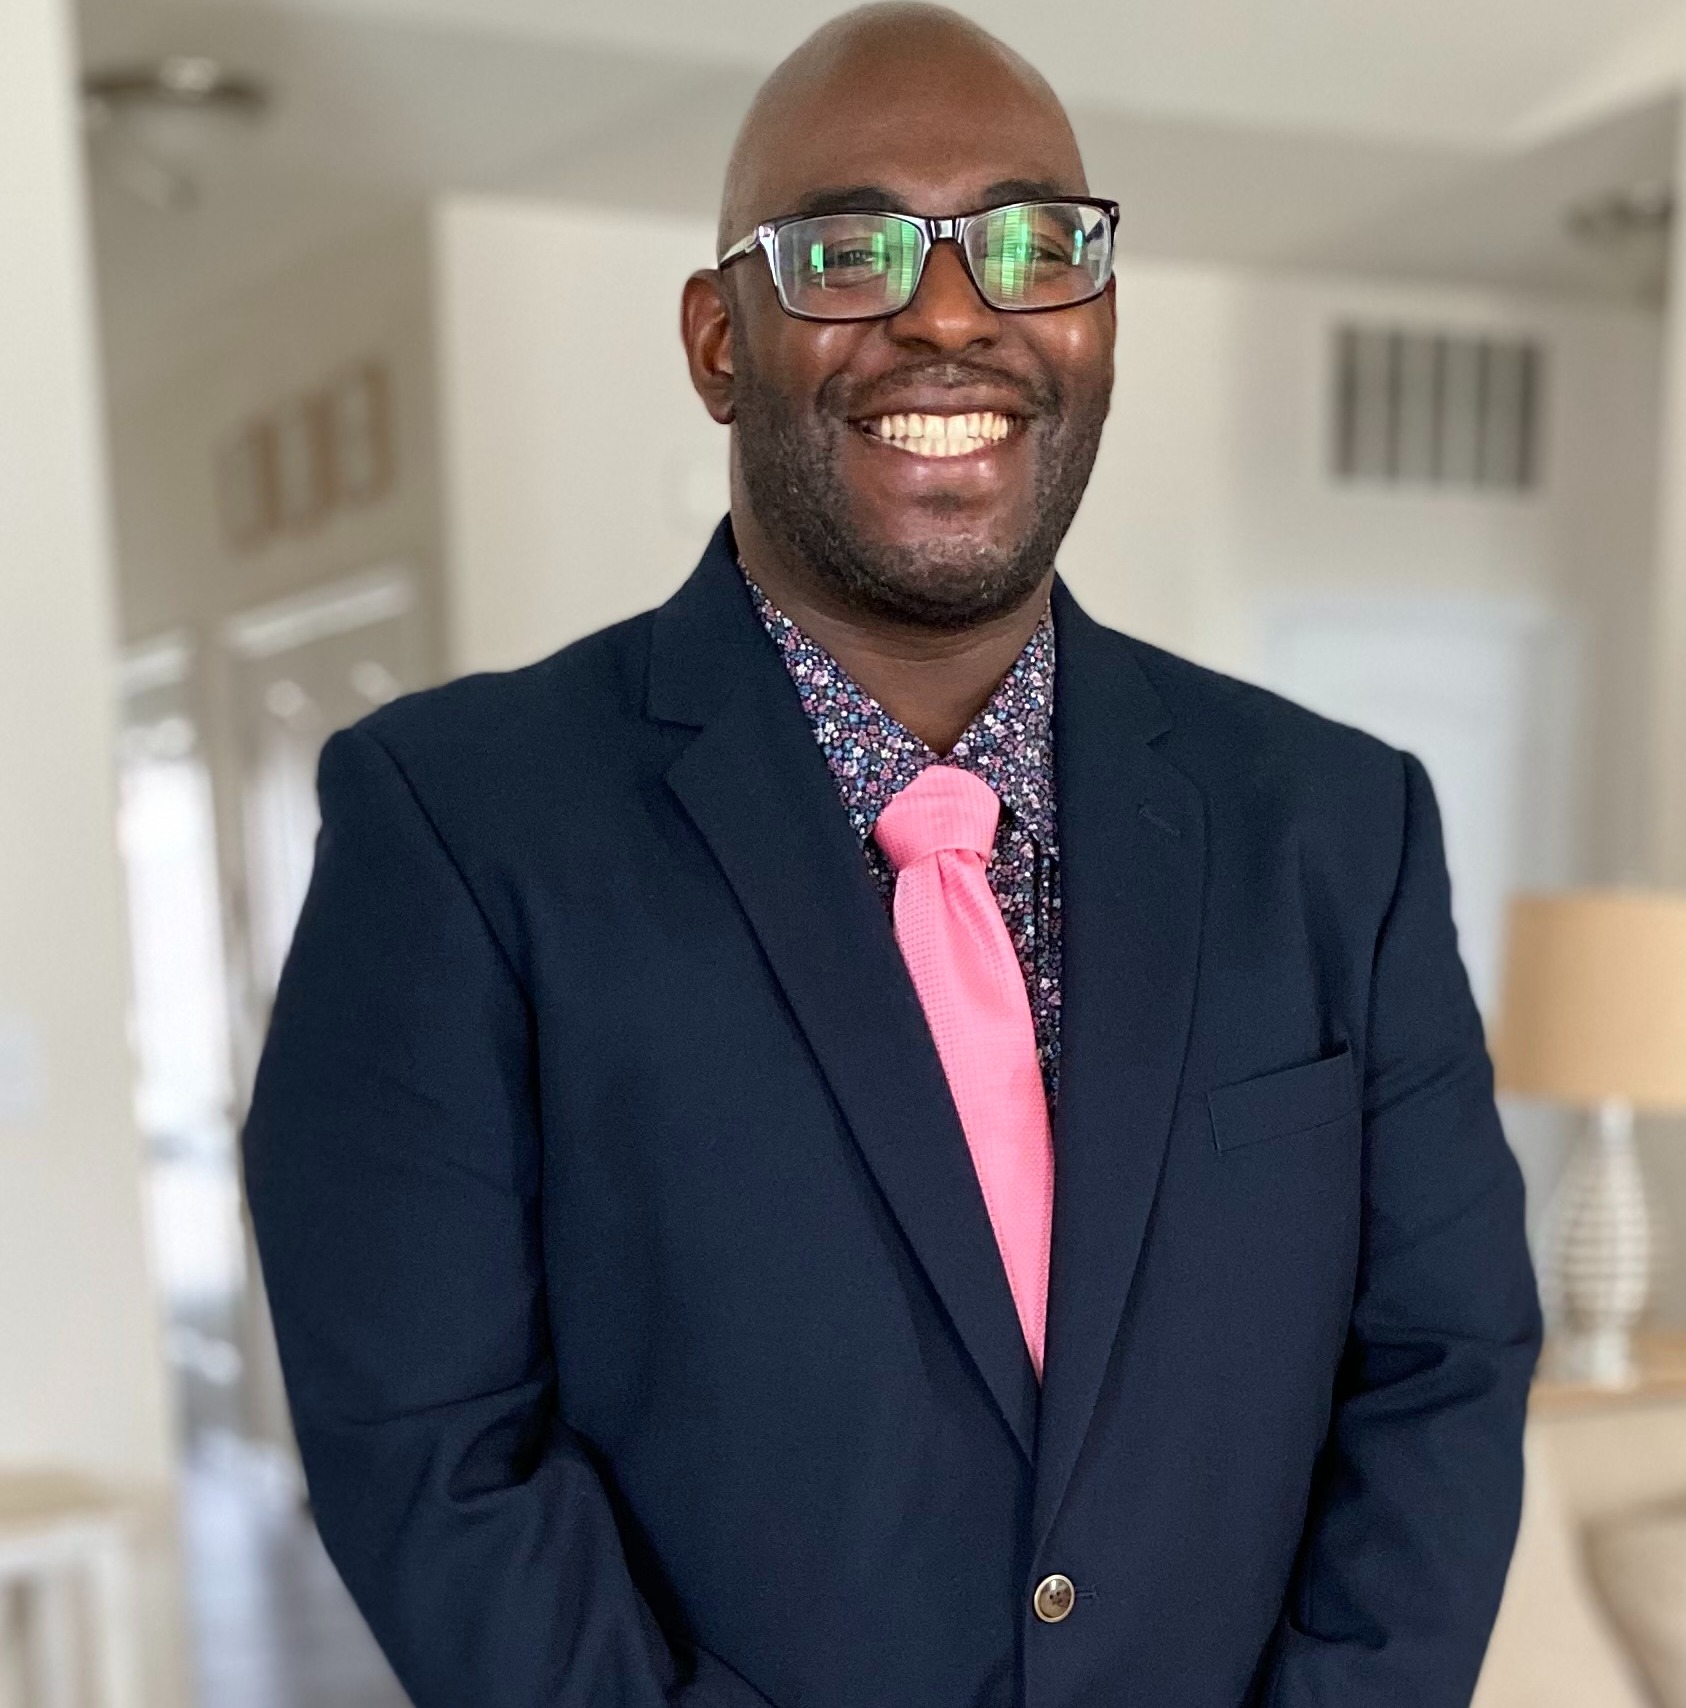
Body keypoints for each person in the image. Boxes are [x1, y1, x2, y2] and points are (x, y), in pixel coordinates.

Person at [241, 8, 1542, 1706]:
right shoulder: (457, 823)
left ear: (1102, 321)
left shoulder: (1341, 825)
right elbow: (434, 1456)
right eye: (849, 254)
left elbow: (1444, 1372)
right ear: (721, 340)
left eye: (1033, 246)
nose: (950, 313)